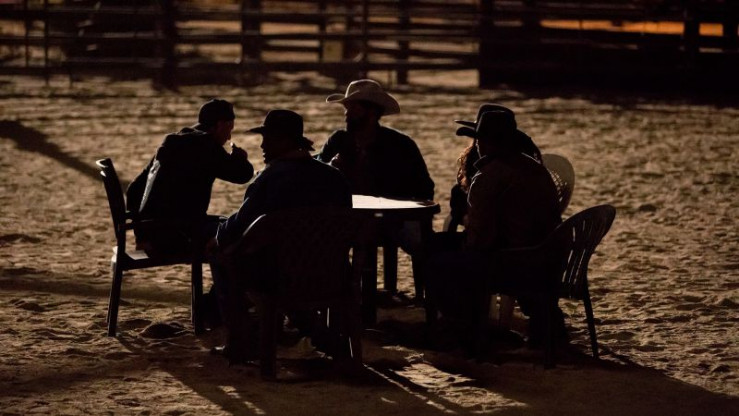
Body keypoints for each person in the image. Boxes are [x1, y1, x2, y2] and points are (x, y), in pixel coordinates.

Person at [208, 109, 352, 363]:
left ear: (285, 140)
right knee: (286, 260)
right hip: (333, 274)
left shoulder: (271, 178)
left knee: (220, 252)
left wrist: (219, 232)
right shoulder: (334, 177)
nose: (262, 145)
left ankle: (239, 341)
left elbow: (237, 228)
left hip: (279, 277)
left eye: (268, 138)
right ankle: (318, 333)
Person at [425, 110, 562, 349]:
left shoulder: (489, 175)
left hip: (514, 262)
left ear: (484, 142)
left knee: (437, 258)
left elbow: (479, 240)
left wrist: (463, 243)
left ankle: (462, 326)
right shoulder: (534, 167)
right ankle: (467, 322)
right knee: (443, 245)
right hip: (546, 258)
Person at [126, 98, 254, 258]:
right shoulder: (205, 145)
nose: (229, 137)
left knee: (225, 224)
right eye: (229, 129)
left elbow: (133, 190)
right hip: (177, 234)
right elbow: (242, 175)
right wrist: (240, 158)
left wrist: (142, 236)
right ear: (220, 125)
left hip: (155, 234)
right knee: (238, 233)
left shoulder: (173, 142)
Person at [316, 78, 434, 200]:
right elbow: (315, 173)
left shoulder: (401, 146)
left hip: (389, 210)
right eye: (347, 108)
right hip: (347, 210)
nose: (347, 113)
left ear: (372, 113)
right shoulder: (338, 140)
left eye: (354, 108)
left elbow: (424, 190)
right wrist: (332, 167)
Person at [448, 103, 542, 231]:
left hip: (510, 240)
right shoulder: (532, 165)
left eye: (479, 140)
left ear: (484, 143)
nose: (477, 145)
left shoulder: (488, 175)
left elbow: (481, 233)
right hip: (541, 237)